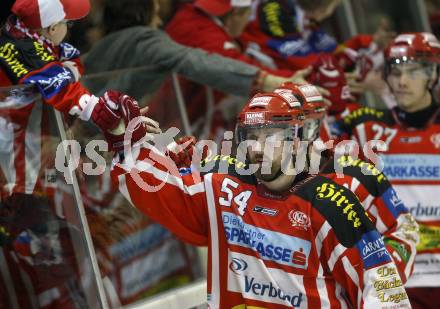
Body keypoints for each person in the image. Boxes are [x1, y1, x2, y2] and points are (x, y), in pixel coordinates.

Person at [107, 86, 411, 308]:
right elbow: (153, 187)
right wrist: (126, 143)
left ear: (296, 139)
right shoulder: (222, 188)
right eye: (252, 137)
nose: (257, 148)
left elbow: (384, 290)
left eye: (270, 137)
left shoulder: (334, 204)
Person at [338, 32, 440, 309]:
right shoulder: (366, 129)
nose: (402, 81)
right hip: (393, 277)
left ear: (432, 75)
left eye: (413, 72)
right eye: (395, 72)